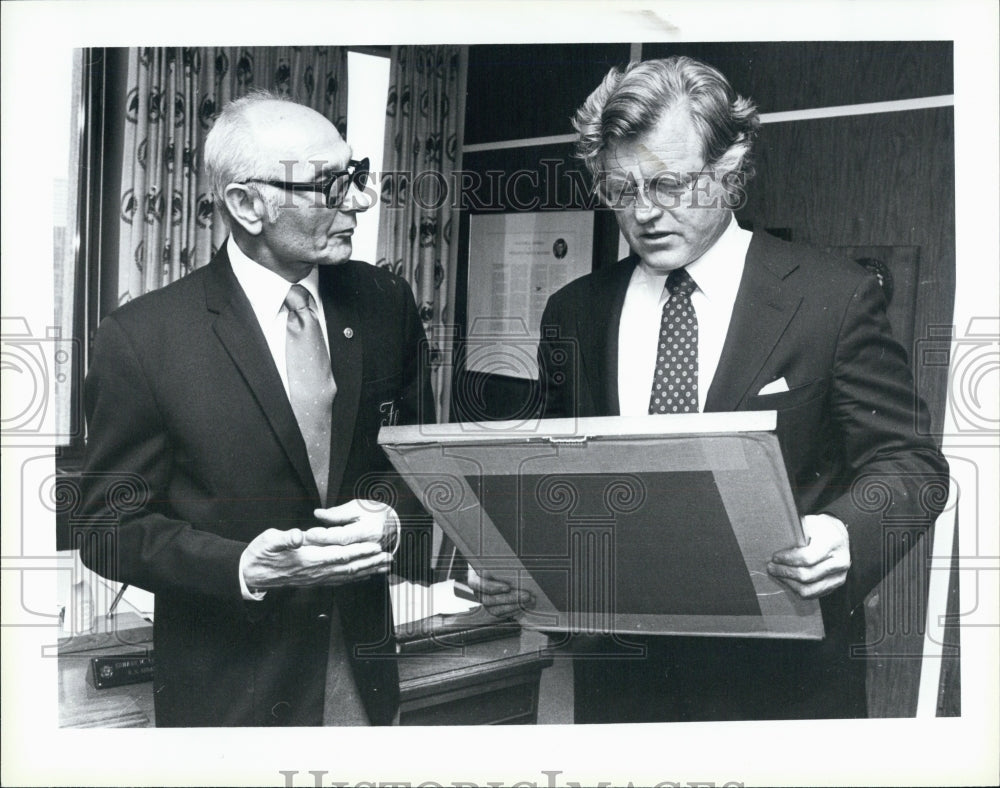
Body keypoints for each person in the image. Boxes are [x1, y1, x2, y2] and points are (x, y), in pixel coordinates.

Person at [471, 56, 949, 722]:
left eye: (668, 184)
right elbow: (560, 470)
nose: (642, 213)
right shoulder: (574, 312)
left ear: (731, 170)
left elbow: (912, 465)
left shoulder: (831, 297)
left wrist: (844, 532)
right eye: (619, 188)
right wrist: (521, 555)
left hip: (786, 687)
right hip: (622, 686)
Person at [79, 90, 434, 726]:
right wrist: (241, 565)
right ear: (247, 204)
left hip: (363, 673)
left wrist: (392, 522)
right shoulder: (143, 338)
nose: (358, 200)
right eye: (330, 184)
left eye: (355, 176)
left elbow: (428, 473)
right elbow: (107, 528)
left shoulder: (387, 305)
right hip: (228, 693)